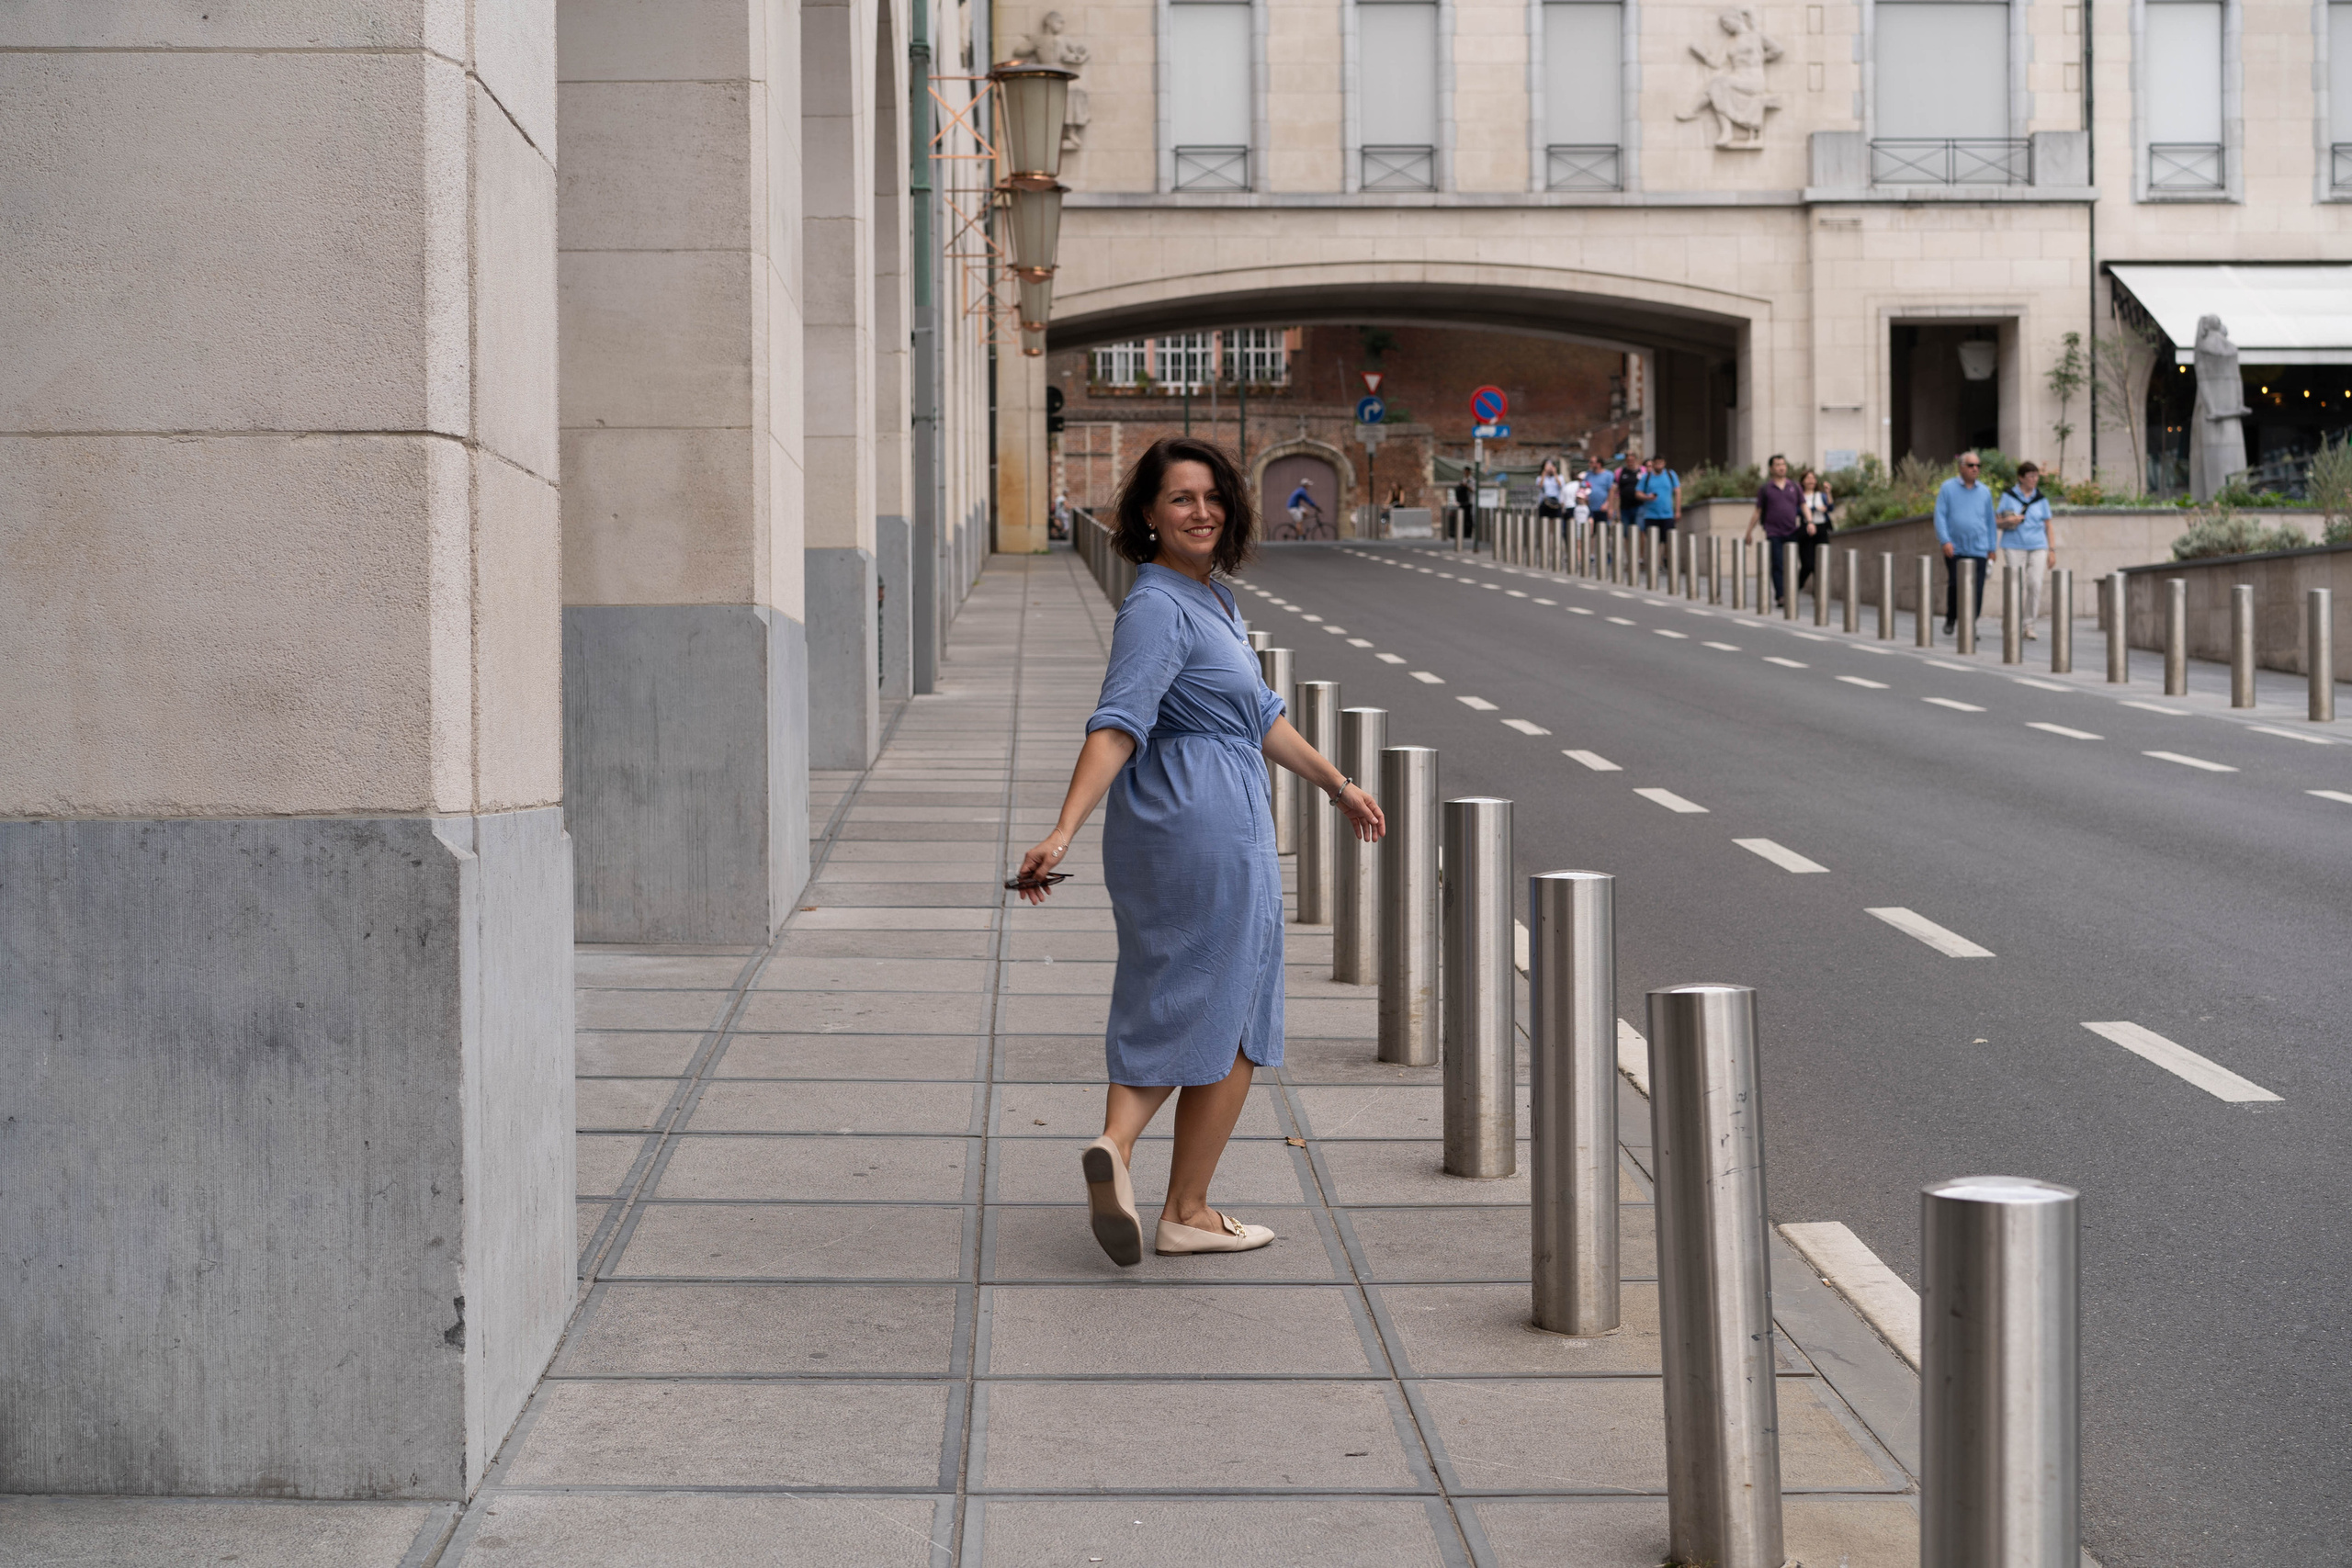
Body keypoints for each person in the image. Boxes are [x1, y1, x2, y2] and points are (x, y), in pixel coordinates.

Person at [1016, 436, 1386, 1265]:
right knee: (1237, 1005)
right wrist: (1062, 827)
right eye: (1181, 498)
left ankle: (1122, 1153)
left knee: (1174, 984)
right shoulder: (1156, 606)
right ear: (1147, 514)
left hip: (1187, 817)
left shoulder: (1209, 599)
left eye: (1213, 496)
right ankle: (1178, 1201)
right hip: (1203, 821)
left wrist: (1337, 782)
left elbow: (1259, 715)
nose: (1202, 510)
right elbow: (1117, 720)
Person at [1935, 450, 1997, 637]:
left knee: (1977, 589)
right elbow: (1940, 516)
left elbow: (1990, 521)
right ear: (1961, 467)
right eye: (1971, 465)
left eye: (1978, 466)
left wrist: (1992, 548)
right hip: (1955, 548)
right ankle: (1951, 617)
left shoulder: (1984, 491)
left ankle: (1971, 624)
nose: (1975, 469)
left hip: (1979, 549)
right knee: (1955, 585)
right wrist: (1945, 540)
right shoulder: (1947, 488)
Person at [1996, 460, 2056, 638]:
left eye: (2036, 476)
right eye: (2030, 476)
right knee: (2015, 586)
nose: (2034, 479)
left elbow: (2048, 526)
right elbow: (1997, 521)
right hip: (2014, 545)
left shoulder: (2041, 498)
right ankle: (2010, 623)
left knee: (2035, 585)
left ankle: (2028, 625)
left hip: (2038, 546)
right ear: (2021, 478)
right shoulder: (2008, 496)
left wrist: (2052, 550)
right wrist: (2009, 521)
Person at [1743, 454, 1804, 607]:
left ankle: (1790, 592)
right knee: (1777, 564)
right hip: (1773, 532)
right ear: (1771, 468)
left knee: (1792, 564)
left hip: (1792, 530)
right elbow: (1758, 511)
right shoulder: (1765, 489)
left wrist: (1809, 522)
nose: (1781, 467)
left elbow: (1803, 506)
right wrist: (1749, 532)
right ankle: (1781, 595)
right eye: (1777, 465)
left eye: (1783, 464)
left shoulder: (1794, 486)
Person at [1796, 468, 1834, 592]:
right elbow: (1796, 510)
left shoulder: (1821, 495)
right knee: (1808, 564)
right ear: (1802, 481)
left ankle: (1819, 591)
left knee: (1821, 563)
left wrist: (1828, 492)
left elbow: (1831, 507)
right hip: (1805, 529)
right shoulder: (1799, 497)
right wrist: (1812, 509)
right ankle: (1797, 586)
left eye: (1813, 478)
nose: (1811, 481)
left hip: (1821, 529)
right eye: (1808, 478)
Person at [1636, 455, 1681, 536]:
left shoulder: (1670, 474)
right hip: (1650, 515)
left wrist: (1678, 511)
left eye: (1660, 463)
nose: (1658, 465)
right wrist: (1647, 497)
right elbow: (1638, 493)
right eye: (1656, 463)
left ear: (1664, 463)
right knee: (1653, 542)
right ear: (1653, 464)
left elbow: (1678, 492)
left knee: (1669, 541)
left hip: (1667, 515)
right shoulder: (1646, 477)